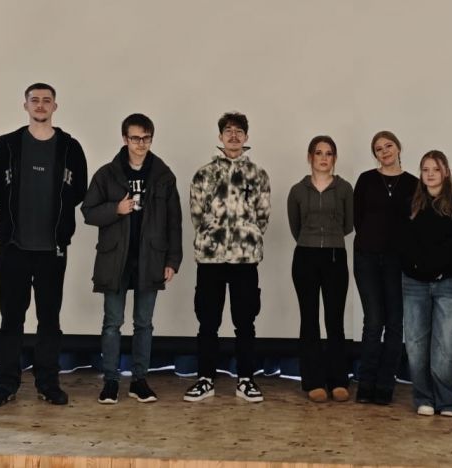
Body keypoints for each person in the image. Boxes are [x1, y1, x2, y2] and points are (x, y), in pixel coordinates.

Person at [0, 83, 88, 407]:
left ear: (55, 106)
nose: (40, 105)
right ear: (25, 105)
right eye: (35, 100)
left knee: (49, 321)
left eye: (46, 100)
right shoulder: (7, 146)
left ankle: (48, 383)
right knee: (10, 320)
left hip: (52, 250)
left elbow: (79, 191)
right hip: (14, 247)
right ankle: (5, 385)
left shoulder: (70, 147)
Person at [82, 113, 182, 404]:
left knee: (144, 323)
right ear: (125, 139)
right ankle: (110, 381)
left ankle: (140, 380)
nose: (141, 144)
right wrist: (116, 209)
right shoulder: (106, 174)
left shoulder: (163, 175)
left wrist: (173, 260)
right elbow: (88, 212)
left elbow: (174, 222)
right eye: (135, 138)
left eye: (146, 138)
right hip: (116, 258)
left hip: (151, 258)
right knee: (112, 322)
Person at [184, 112, 270, 403]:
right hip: (211, 258)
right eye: (228, 131)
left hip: (245, 259)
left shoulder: (258, 174)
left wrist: (247, 235)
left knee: (245, 322)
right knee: (208, 322)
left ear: (246, 137)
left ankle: (245, 379)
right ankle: (205, 379)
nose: (234, 136)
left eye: (239, 131)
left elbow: (263, 216)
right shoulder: (204, 174)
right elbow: (197, 215)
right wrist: (214, 236)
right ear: (220, 136)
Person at [401, 150, 452, 417]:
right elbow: (403, 244)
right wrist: (415, 268)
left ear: (446, 172)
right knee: (416, 344)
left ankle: (449, 401)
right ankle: (424, 398)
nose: (430, 174)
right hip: (414, 283)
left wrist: (443, 271)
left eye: (436, 169)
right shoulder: (410, 205)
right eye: (425, 169)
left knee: (448, 344)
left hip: (450, 283)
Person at [287, 136, 354, 403]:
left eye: (329, 153)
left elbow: (348, 225)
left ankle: (338, 380)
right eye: (318, 153)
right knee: (309, 319)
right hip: (305, 256)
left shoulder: (344, 188)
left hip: (335, 257)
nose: (324, 158)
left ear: (334, 158)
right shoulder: (297, 190)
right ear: (310, 157)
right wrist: (312, 240)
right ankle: (313, 381)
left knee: (335, 320)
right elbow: (296, 226)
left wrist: (329, 239)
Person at [353, 131, 417, 405]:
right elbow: (357, 218)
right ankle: (365, 383)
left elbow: (415, 222)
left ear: (398, 147)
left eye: (388, 145)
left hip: (397, 261)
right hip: (366, 258)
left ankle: (385, 385)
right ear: (375, 155)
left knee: (394, 323)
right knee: (373, 321)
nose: (385, 151)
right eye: (378, 149)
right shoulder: (366, 179)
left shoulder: (414, 183)